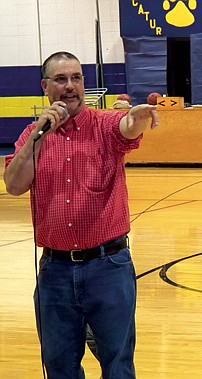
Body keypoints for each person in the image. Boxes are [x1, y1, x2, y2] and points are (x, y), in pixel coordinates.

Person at [3, 51, 158, 378]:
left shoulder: (104, 126)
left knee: (117, 364)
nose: (70, 86)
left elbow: (128, 126)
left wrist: (139, 116)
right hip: (55, 271)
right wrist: (38, 136)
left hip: (109, 267)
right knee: (59, 366)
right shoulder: (33, 136)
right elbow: (15, 185)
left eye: (77, 78)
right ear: (46, 87)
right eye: (61, 79)